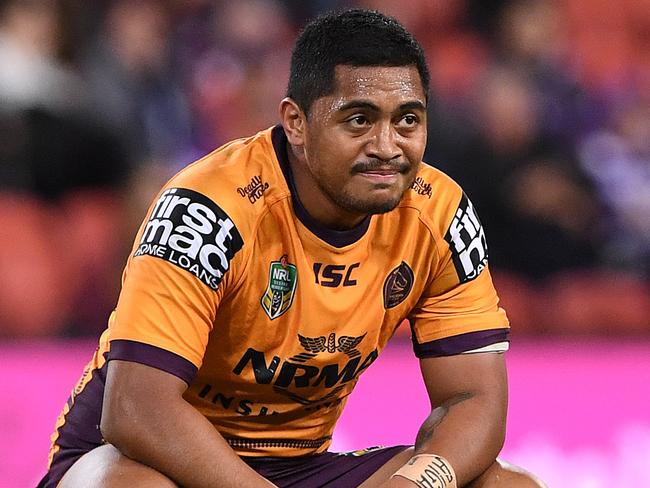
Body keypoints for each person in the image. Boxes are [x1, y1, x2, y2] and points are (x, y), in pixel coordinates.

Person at [39, 9, 546, 488]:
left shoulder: (440, 214)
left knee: (507, 484)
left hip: (296, 467)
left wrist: (414, 482)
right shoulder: (206, 210)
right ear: (296, 123)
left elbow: (473, 399)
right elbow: (136, 409)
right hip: (137, 457)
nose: (388, 146)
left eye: (408, 120)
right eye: (359, 120)